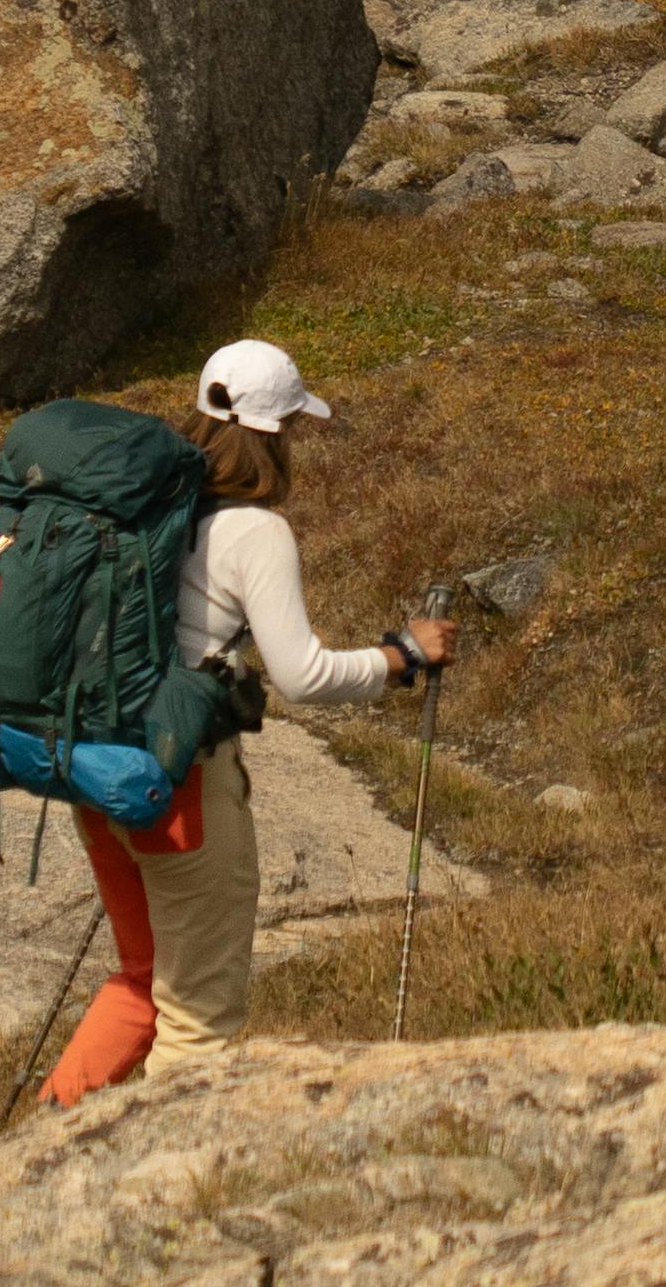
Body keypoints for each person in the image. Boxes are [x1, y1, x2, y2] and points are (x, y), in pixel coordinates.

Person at [37, 338, 450, 1112]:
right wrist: (398, 656)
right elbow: (302, 674)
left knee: (139, 980)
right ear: (276, 432)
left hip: (92, 767)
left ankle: (31, 1151)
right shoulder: (255, 532)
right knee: (199, 1013)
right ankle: (158, 1194)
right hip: (181, 788)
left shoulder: (138, 502)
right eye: (292, 426)